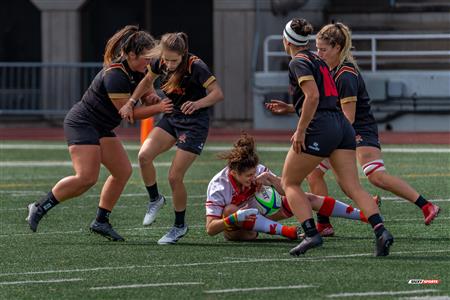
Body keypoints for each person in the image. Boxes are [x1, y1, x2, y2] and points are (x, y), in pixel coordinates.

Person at [25, 25, 173, 241]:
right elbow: (128, 114)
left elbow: (145, 94)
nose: (149, 63)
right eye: (146, 58)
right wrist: (159, 108)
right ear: (132, 55)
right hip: (83, 123)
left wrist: (151, 99)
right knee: (86, 177)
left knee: (122, 171)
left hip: (102, 126)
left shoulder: (140, 70)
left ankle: (101, 221)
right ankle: (39, 207)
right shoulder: (115, 75)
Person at [266, 18, 393, 256]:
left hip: (321, 126)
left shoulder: (298, 61)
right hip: (342, 126)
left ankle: (312, 234)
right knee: (353, 187)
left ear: (286, 40)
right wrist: (292, 108)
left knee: (289, 182)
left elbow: (313, 97)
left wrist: (302, 129)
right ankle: (381, 230)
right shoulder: (318, 59)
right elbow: (321, 99)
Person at [306, 22, 440, 232]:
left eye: (323, 49)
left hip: (356, 130)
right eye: (317, 48)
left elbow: (348, 118)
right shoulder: (330, 70)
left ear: (337, 48)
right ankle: (326, 222)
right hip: (340, 129)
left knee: (375, 176)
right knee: (319, 175)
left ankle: (426, 205)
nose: (318, 53)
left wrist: (325, 135)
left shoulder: (345, 76)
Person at [119, 32, 224, 244]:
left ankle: (179, 226)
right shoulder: (161, 61)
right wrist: (131, 101)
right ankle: (155, 199)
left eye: (173, 60)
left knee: (174, 177)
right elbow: (147, 80)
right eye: (166, 59)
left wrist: (197, 104)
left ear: (183, 54)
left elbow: (217, 94)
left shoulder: (196, 66)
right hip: (173, 117)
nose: (168, 64)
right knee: (144, 156)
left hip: (194, 124)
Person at [206, 134, 370, 241]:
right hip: (239, 229)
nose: (253, 177)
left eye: (253, 173)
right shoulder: (218, 186)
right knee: (229, 209)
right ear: (234, 173)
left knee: (304, 197)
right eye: (248, 176)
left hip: (265, 215)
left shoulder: (259, 171)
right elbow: (211, 229)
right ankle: (288, 232)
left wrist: (271, 179)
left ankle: (364, 215)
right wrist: (235, 218)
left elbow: (288, 191)